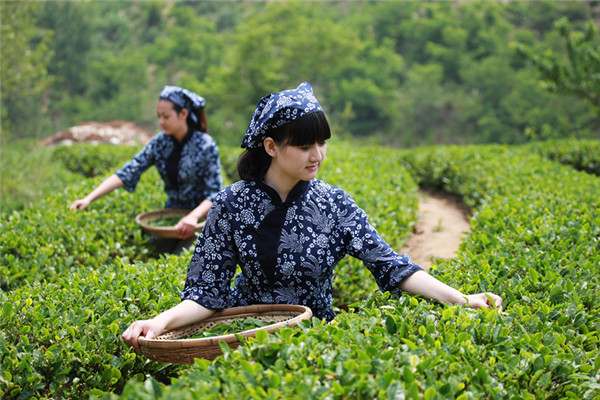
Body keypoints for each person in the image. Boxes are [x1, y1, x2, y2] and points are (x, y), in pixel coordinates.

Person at [122, 82, 502, 351]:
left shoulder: (334, 204)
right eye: (304, 145)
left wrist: (463, 300)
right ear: (270, 146)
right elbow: (207, 293)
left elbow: (393, 268)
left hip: (317, 342)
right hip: (244, 341)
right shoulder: (230, 205)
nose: (317, 155)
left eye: (321, 143)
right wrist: (159, 323)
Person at [70, 85, 223, 254]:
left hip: (201, 219)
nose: (161, 122)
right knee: (155, 256)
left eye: (166, 116)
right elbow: (129, 170)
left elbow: (214, 193)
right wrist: (89, 198)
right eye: (159, 116)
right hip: (171, 216)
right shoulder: (160, 143)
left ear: (183, 114)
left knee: (182, 259)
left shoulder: (205, 145)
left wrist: (193, 216)